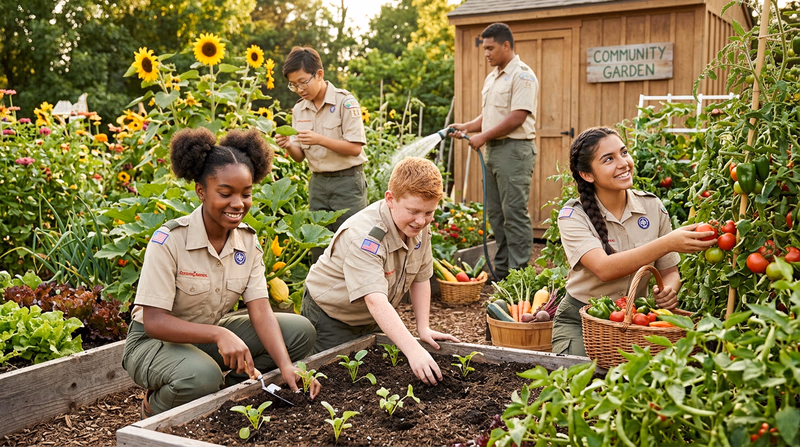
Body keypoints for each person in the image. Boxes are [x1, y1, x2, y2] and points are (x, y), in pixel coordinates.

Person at [122, 127, 320, 418]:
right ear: (201, 191)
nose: (238, 203)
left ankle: (229, 394)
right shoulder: (170, 240)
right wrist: (218, 334)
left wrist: (287, 366)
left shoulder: (248, 241)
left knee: (300, 332)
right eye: (226, 193)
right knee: (201, 376)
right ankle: (155, 409)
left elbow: (261, 310)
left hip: (207, 337)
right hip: (154, 342)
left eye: (246, 193)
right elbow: (153, 322)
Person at [551, 127, 717, 356]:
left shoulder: (651, 206)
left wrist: (668, 290)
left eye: (624, 152)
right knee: (583, 381)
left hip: (635, 317)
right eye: (608, 159)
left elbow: (669, 270)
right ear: (587, 175)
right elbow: (604, 269)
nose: (623, 163)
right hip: (584, 318)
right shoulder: (574, 216)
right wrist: (668, 242)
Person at [301, 157, 460, 385]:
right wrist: (414, 351)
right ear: (390, 199)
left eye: (428, 213)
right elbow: (375, 300)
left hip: (373, 317)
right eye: (414, 211)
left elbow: (421, 278)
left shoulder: (418, 227)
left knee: (372, 381)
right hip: (331, 317)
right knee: (331, 383)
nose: (421, 220)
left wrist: (422, 327)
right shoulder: (364, 236)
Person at [451, 22, 538, 281]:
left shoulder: (522, 75)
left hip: (514, 151)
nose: (486, 53)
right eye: (484, 48)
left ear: (506, 45)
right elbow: (491, 115)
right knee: (496, 215)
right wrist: (467, 126)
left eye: (490, 48)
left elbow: (518, 117)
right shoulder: (493, 77)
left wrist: (483, 137)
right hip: (493, 151)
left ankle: (519, 274)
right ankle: (502, 273)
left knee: (514, 213)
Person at [274, 46, 368, 262]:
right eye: (293, 85)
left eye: (302, 81)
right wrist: (288, 144)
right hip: (318, 184)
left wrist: (320, 140)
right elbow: (299, 156)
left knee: (351, 242)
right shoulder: (299, 109)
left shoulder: (345, 101)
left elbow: (355, 147)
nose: (299, 89)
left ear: (319, 74)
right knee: (319, 247)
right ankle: (321, 295)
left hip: (347, 183)